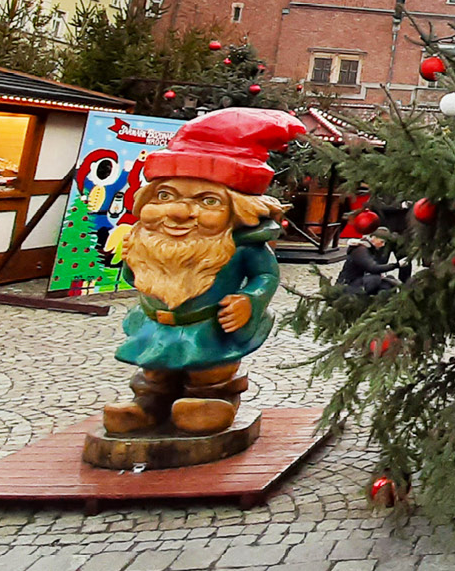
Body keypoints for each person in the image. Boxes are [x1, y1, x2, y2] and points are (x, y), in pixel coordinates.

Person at [100, 108, 306, 436]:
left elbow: (265, 276)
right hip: (157, 326)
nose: (180, 212)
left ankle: (211, 402)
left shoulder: (242, 246)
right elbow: (135, 278)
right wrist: (131, 261)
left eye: (207, 201)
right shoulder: (147, 240)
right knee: (153, 371)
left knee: (210, 371)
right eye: (165, 196)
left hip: (208, 326)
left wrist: (250, 301)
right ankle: (147, 406)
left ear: (239, 209)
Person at [337, 228, 404, 299]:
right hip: (348, 284)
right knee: (375, 279)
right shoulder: (360, 250)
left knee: (388, 283)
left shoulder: (372, 249)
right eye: (381, 242)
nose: (383, 245)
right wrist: (396, 265)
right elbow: (372, 268)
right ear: (373, 238)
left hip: (360, 280)